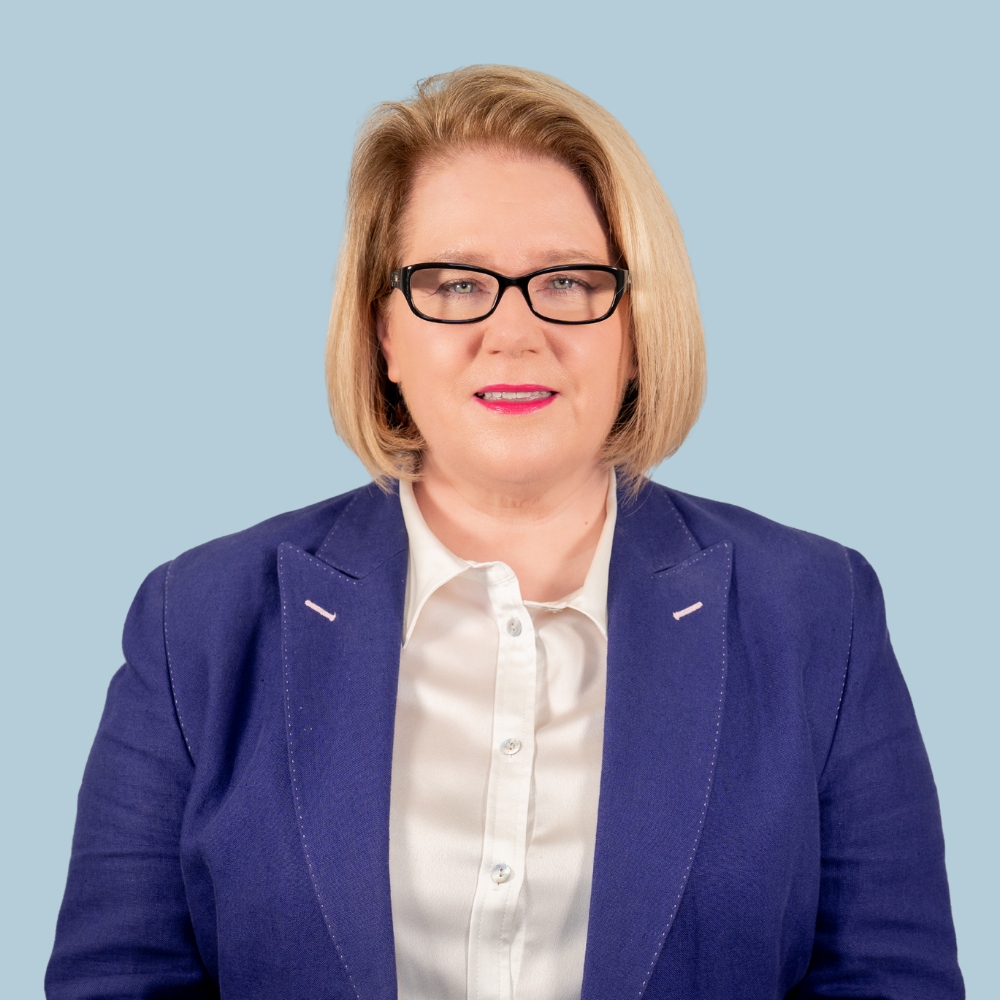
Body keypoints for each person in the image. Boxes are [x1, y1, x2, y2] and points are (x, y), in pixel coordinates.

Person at [46, 66, 963, 1000]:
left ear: (637, 329)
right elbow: (118, 980)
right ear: (384, 336)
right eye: (452, 284)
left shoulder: (816, 612)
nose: (515, 331)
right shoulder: (198, 622)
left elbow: (891, 980)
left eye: (567, 281)